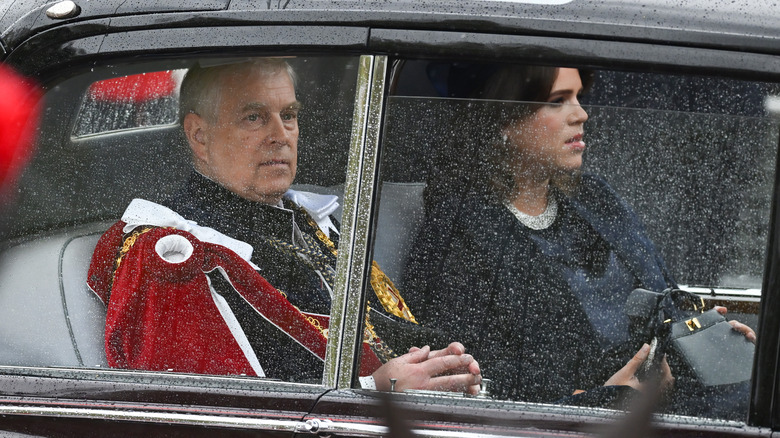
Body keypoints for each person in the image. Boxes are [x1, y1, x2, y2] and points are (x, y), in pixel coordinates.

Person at [87, 58, 481, 394]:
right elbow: (213, 414)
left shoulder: (303, 219)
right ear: (200, 136)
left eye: (288, 115)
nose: (280, 136)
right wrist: (376, 391)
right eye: (254, 117)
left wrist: (438, 367)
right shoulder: (170, 256)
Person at [403, 65, 753, 409]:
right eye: (558, 100)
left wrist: (701, 333)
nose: (581, 114)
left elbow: (663, 296)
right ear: (505, 121)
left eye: (579, 97)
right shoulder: (457, 228)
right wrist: (600, 399)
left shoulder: (595, 199)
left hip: (661, 394)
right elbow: (474, 378)